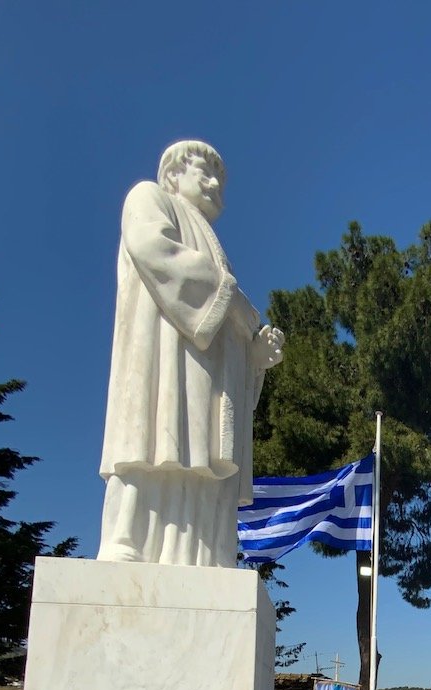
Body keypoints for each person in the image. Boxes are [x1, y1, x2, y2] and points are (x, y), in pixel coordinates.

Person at [97, 140, 284, 566]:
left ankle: (198, 554)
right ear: (173, 174)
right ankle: (128, 539)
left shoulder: (216, 245)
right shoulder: (149, 197)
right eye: (206, 172)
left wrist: (255, 359)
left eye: (220, 178)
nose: (216, 183)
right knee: (151, 439)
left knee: (201, 457)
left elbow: (226, 329)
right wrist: (231, 300)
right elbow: (153, 250)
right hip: (163, 360)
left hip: (207, 379)